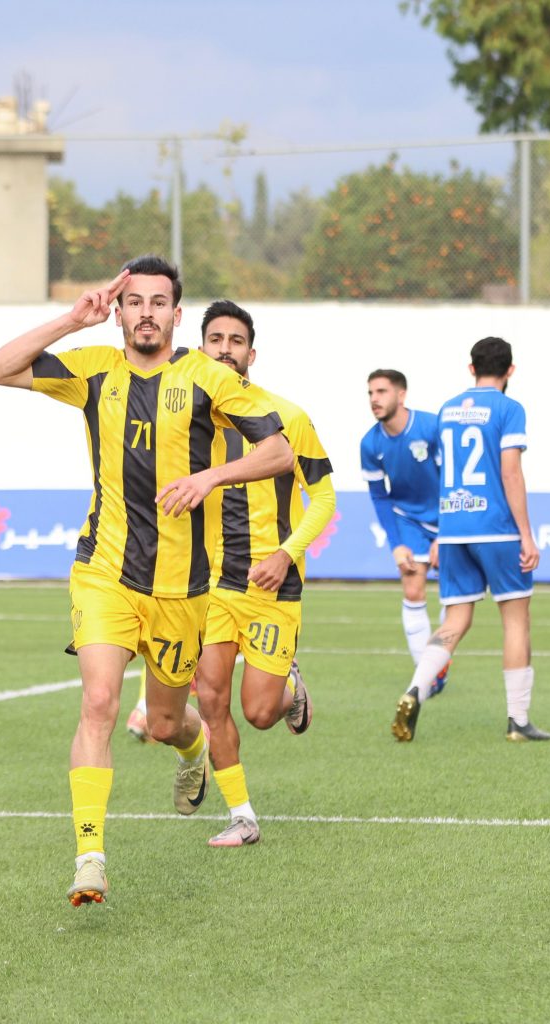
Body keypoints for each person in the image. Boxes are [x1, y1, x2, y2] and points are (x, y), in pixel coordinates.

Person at [0, 256, 294, 905]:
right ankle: (89, 858)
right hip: (105, 572)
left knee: (163, 722)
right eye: (135, 302)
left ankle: (190, 749)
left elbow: (279, 451)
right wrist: (72, 320)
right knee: (98, 702)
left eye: (158, 303)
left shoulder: (207, 377)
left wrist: (211, 477)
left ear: (176, 315)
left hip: (183, 588)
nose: (146, 313)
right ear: (119, 311)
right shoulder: (94, 369)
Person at [193, 299, 336, 847]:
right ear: (201, 348)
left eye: (236, 341)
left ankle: (289, 689)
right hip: (211, 586)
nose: (225, 349)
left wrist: (286, 554)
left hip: (273, 585)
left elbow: (324, 499)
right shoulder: (187, 421)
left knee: (256, 712)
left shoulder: (288, 417)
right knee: (211, 699)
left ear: (252, 354)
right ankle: (242, 816)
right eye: (216, 339)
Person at [391, 336, 550, 743]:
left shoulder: (447, 410)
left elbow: (440, 472)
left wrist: (440, 532)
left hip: (453, 530)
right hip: (496, 529)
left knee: (455, 620)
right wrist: (526, 535)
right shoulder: (509, 409)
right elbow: (510, 472)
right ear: (510, 370)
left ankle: (415, 689)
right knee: (516, 620)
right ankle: (518, 721)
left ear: (471, 368)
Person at [361, 370, 448, 696]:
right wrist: (396, 544)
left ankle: (441, 659)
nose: (374, 399)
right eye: (370, 393)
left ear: (401, 395)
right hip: (407, 520)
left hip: (447, 517)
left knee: (454, 597)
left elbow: (450, 479)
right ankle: (428, 677)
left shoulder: (431, 427)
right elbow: (379, 496)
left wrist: (444, 535)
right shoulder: (370, 443)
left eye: (381, 391)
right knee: (413, 591)